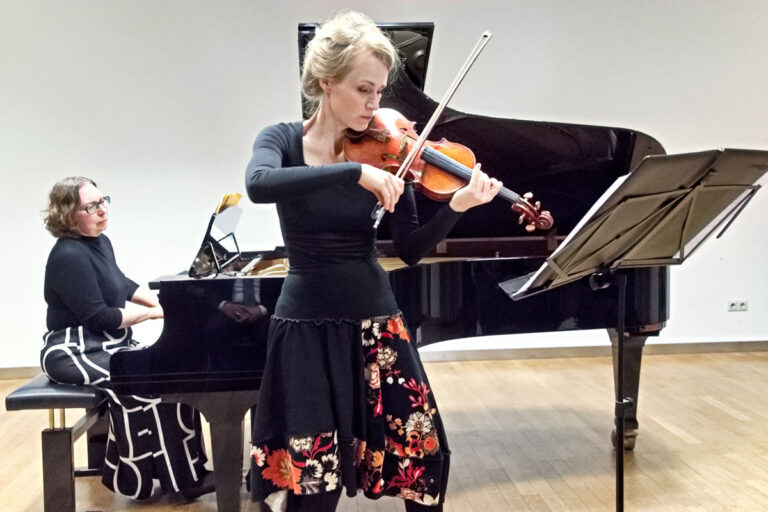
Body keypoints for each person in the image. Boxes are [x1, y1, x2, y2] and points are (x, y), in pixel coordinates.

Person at [245, 10, 502, 512]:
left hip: (378, 326)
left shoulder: (388, 153)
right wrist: (349, 176)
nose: (374, 104)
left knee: (419, 466)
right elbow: (259, 185)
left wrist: (457, 207)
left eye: (380, 92)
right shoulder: (282, 140)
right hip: (305, 329)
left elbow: (408, 247)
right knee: (311, 489)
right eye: (364, 89)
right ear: (326, 82)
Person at [40, 176, 214, 500]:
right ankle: (145, 478)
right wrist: (155, 314)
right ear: (67, 214)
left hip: (105, 341)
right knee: (140, 383)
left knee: (170, 375)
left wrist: (162, 303)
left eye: (102, 200)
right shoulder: (68, 256)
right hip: (73, 347)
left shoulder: (99, 243)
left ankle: (187, 470)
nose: (102, 210)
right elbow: (101, 317)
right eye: (91, 206)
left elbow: (120, 283)